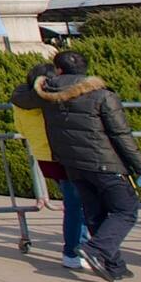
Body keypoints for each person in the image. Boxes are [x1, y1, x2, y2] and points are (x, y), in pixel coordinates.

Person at [30, 51, 141, 282]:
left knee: (95, 212)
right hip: (104, 161)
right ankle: (96, 249)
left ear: (58, 70)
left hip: (72, 164)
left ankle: (113, 263)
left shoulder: (46, 95)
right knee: (125, 210)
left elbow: (21, 96)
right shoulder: (102, 95)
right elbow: (120, 135)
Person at [11, 63, 90, 270]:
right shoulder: (53, 98)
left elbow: (20, 128)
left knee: (76, 201)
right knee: (79, 203)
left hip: (44, 156)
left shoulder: (20, 101)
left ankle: (81, 245)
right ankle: (76, 249)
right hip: (66, 153)